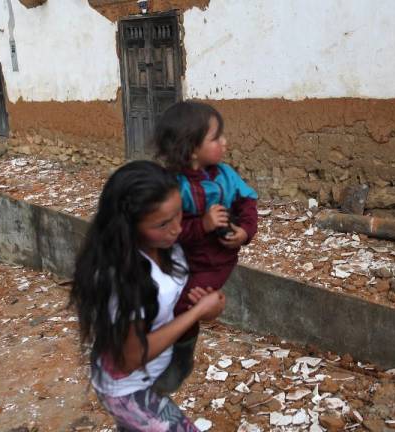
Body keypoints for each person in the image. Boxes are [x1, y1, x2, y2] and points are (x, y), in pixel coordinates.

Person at [70, 160, 226, 431]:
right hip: (127, 389)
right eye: (162, 223)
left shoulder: (167, 245)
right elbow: (131, 357)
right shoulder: (124, 278)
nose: (177, 228)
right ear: (128, 226)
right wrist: (197, 313)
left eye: (179, 213)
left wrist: (207, 303)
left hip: (155, 375)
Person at [151, 101, 258, 392]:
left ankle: (180, 359)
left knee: (185, 304)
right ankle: (157, 352)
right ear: (192, 148)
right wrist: (202, 225)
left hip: (214, 262)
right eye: (216, 137)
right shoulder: (173, 185)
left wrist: (244, 232)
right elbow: (168, 232)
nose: (225, 142)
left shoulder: (226, 176)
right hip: (178, 255)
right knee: (159, 300)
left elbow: (248, 202)